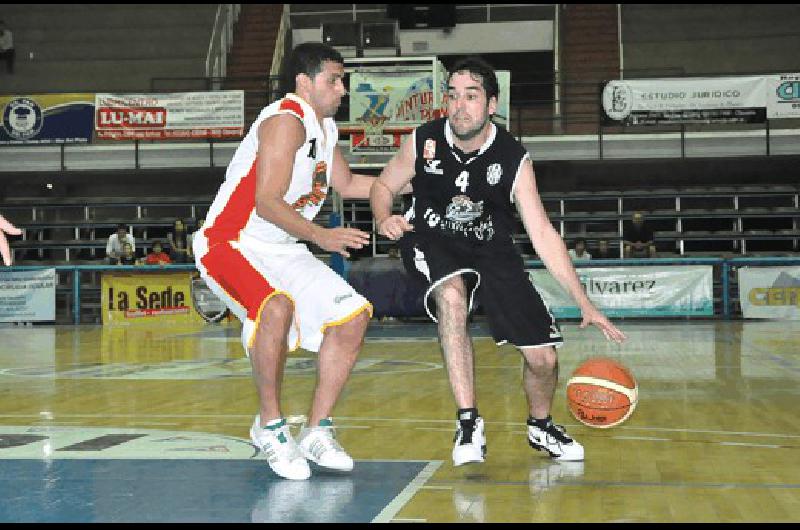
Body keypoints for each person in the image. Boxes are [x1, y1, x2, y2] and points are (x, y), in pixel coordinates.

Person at [370, 57, 626, 467]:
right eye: (452, 96)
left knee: (543, 358)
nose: (459, 105)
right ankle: (468, 421)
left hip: (492, 248)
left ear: (492, 104)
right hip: (431, 238)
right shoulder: (424, 141)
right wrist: (384, 216)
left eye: (471, 97)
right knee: (451, 299)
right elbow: (383, 184)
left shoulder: (512, 158)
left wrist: (584, 303)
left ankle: (541, 425)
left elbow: (542, 233)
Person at [193, 42, 390, 481]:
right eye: (334, 80)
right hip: (231, 241)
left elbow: (351, 182)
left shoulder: (326, 127)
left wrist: (408, 181)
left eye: (343, 80)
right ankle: (270, 426)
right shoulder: (286, 120)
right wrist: (322, 235)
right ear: (304, 82)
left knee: (353, 317)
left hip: (282, 247)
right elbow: (265, 202)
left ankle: (317, 430)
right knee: (275, 307)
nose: (342, 89)